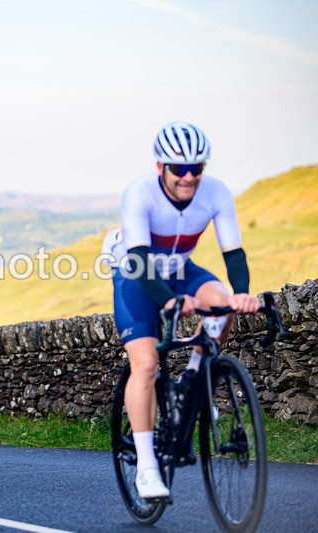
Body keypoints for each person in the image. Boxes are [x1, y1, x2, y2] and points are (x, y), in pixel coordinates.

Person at [103, 122, 260, 499]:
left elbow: (233, 253)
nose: (189, 177)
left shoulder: (216, 193)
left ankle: (192, 379)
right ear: (161, 167)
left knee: (221, 301)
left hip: (179, 269)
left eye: (197, 167)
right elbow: (140, 261)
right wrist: (171, 302)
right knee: (146, 364)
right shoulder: (140, 192)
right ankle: (146, 467)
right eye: (179, 168)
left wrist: (242, 294)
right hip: (136, 272)